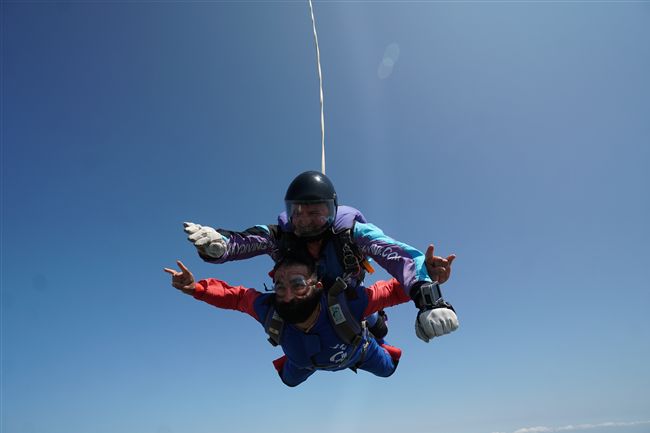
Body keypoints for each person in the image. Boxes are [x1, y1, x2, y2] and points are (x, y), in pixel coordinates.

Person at [183, 171, 457, 342]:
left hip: (348, 293)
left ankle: (375, 326)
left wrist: (428, 298)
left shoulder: (353, 233)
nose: (305, 220)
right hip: (305, 300)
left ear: (332, 211)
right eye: (297, 212)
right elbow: (247, 240)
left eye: (315, 212)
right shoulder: (282, 236)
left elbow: (398, 255)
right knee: (291, 324)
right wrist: (218, 245)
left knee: (378, 329)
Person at [163, 249, 458, 387]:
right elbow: (237, 297)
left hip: (359, 351)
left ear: (317, 286)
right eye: (279, 285)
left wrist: (426, 278)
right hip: (303, 362)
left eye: (297, 284)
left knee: (388, 369)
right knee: (288, 381)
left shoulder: (348, 302)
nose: (287, 294)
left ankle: (374, 325)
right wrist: (196, 288)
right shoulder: (270, 309)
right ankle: (369, 325)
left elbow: (393, 289)